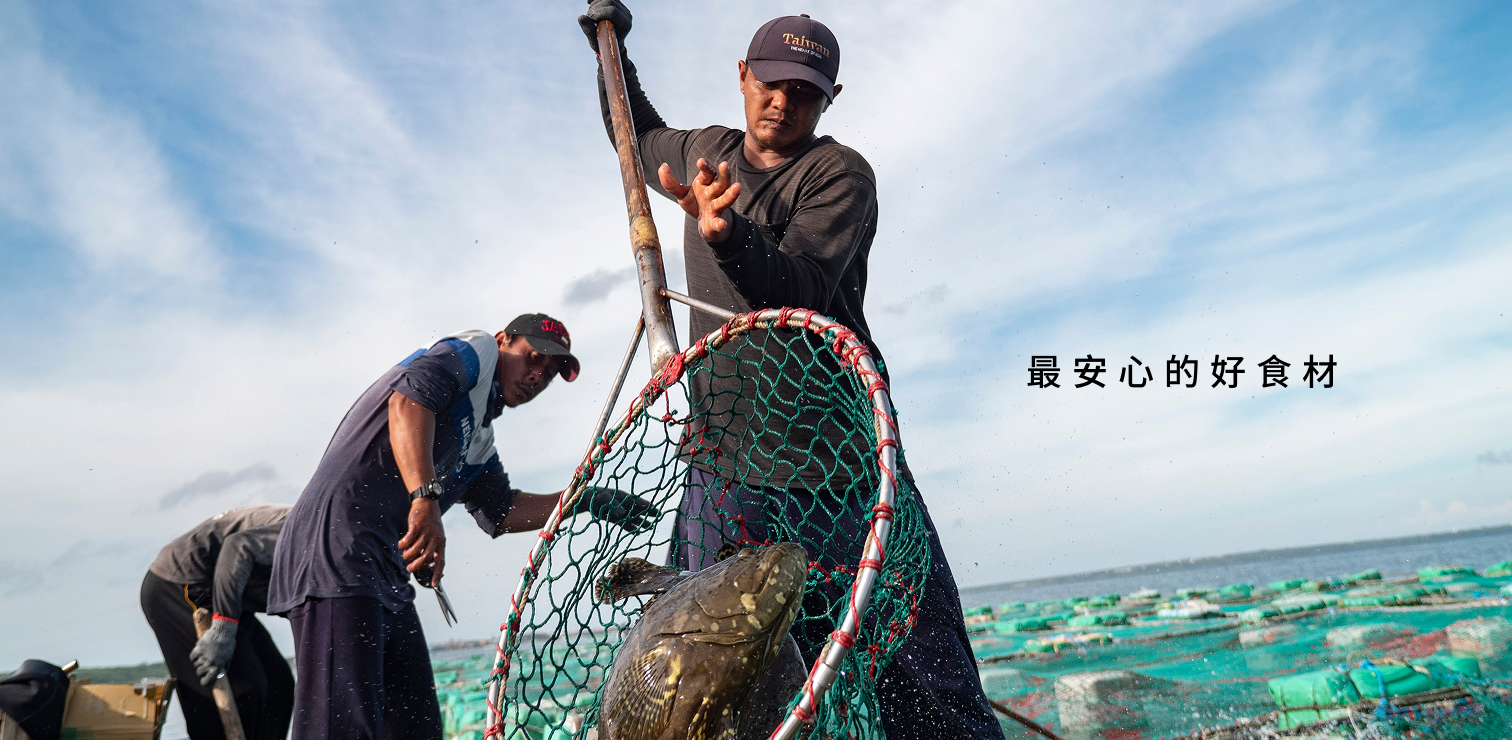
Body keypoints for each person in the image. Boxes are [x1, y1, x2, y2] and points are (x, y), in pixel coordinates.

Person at [579, 5, 1008, 738]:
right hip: (723, 465)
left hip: (841, 470)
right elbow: (638, 131)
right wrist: (607, 50)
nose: (783, 101)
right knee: (702, 672)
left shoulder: (839, 173)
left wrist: (728, 232)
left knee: (923, 675)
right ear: (742, 77)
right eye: (771, 82)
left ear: (829, 99)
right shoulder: (706, 150)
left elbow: (801, 287)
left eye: (805, 91)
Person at [267, 314, 655, 740]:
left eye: (548, 376)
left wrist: (584, 499)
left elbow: (502, 512)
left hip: (386, 573)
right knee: (342, 729)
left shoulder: (480, 436)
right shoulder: (477, 349)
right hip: (334, 553)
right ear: (505, 339)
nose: (537, 376)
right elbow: (408, 402)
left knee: (418, 727)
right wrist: (425, 499)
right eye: (533, 358)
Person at [140, 504, 295, 740]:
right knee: (244, 688)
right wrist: (223, 628)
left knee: (279, 684)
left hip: (226, 594)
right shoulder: (309, 530)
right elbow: (237, 546)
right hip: (179, 584)